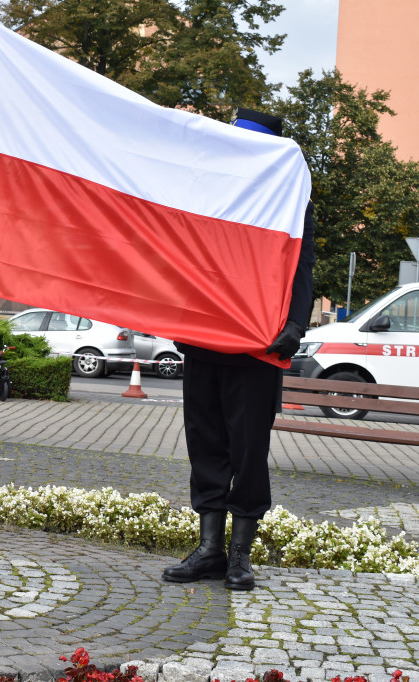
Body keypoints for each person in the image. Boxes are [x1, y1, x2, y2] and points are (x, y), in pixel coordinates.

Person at [162, 107, 315, 591]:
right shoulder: (209, 186)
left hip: (257, 347)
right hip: (205, 342)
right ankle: (209, 551)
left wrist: (294, 323)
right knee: (205, 445)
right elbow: (186, 253)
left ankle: (240, 557)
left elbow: (302, 264)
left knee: (248, 452)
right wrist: (175, 316)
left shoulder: (289, 192)